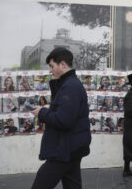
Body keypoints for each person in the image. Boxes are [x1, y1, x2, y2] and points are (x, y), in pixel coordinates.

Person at [31, 47, 91, 189]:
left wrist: (42, 113)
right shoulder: (68, 84)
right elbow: (65, 112)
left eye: (52, 66)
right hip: (71, 147)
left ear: (63, 64)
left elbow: (64, 120)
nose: (50, 70)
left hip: (64, 149)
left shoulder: (70, 86)